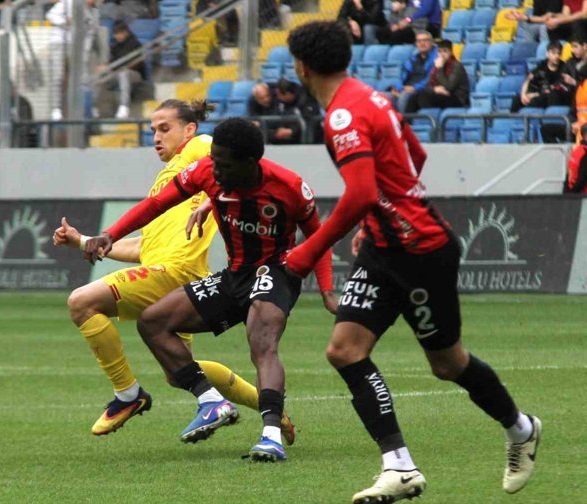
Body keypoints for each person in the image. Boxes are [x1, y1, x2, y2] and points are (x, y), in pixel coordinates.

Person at [286, 21, 541, 502]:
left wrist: (308, 250)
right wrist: (378, 218)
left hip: (422, 252)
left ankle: (521, 428)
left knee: (448, 364)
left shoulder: (342, 116)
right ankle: (399, 467)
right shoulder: (372, 96)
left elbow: (361, 190)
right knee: (345, 350)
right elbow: (414, 154)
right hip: (386, 248)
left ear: (301, 66)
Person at [83, 117, 337, 461]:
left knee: (261, 340)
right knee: (153, 322)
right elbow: (157, 204)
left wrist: (326, 290)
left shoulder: (288, 187)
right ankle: (210, 400)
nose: (214, 169)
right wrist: (110, 234)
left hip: (275, 271)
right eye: (213, 160)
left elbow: (319, 238)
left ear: (249, 164)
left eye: (223, 164)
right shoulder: (207, 172)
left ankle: (271, 435)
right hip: (234, 276)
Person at [54, 100, 298, 444]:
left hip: (175, 271)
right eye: (152, 129)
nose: (156, 136)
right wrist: (84, 242)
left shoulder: (199, 148)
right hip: (167, 270)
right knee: (179, 370)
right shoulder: (165, 181)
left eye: (164, 128)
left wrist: (216, 200)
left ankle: (128, 394)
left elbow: (246, 164)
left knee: (82, 302)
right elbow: (143, 248)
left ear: (189, 129)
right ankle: (269, 405)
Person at [96, 21, 146, 120]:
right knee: (101, 79)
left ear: (125, 32)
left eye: (119, 33)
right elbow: (111, 62)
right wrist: (104, 67)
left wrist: (111, 67)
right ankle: (97, 109)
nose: (117, 36)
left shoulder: (135, 44)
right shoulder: (115, 46)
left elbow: (136, 63)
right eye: (115, 34)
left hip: (134, 74)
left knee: (124, 74)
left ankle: (124, 107)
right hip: (116, 73)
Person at [512, 40, 569, 112]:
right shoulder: (542, 65)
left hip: (550, 96)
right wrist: (523, 94)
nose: (556, 56)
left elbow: (552, 89)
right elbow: (528, 79)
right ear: (547, 54)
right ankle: (512, 121)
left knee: (535, 101)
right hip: (538, 93)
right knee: (516, 99)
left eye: (559, 53)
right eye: (553, 53)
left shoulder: (563, 68)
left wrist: (534, 95)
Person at [413, 40, 469, 111]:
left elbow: (448, 87)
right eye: (439, 51)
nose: (442, 54)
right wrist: (434, 89)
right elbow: (427, 84)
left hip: (457, 98)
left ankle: (430, 119)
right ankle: (407, 121)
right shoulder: (436, 65)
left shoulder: (457, 66)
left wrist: (440, 68)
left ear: (451, 53)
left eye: (445, 51)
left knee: (426, 96)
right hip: (441, 95)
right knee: (414, 97)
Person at [389, 31, 437, 114]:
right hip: (406, 88)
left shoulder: (437, 58)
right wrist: (398, 88)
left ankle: (403, 124)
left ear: (431, 42)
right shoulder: (412, 59)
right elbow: (403, 76)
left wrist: (415, 88)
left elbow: (432, 78)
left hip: (422, 90)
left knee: (404, 96)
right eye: (419, 41)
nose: (422, 43)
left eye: (425, 40)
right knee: (385, 96)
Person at [565, 123, 587, 193]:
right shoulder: (584, 153)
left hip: (572, 192)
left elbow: (568, 176)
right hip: (581, 195)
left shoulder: (576, 150)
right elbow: (581, 180)